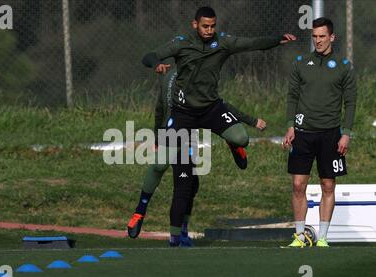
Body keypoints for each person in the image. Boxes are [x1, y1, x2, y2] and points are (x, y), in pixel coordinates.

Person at [140, 6, 295, 246]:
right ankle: (171, 231)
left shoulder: (222, 42)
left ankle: (232, 144)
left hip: (211, 109)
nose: (209, 30)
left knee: (241, 138)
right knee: (171, 167)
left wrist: (277, 39)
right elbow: (150, 55)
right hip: (185, 114)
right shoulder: (181, 44)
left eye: (213, 26)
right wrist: (156, 64)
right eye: (205, 26)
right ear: (195, 25)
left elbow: (251, 43)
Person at [127, 66, 267, 242]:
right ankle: (142, 212)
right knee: (167, 172)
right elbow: (159, 107)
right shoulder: (169, 75)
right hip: (171, 131)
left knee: (188, 183)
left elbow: (219, 105)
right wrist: (157, 137)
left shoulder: (199, 74)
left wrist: (248, 121)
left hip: (186, 132)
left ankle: (178, 237)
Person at [282, 18, 357, 248]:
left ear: (332, 37)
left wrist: (346, 133)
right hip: (303, 133)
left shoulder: (344, 66)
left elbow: (351, 102)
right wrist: (290, 125)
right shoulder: (301, 63)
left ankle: (323, 238)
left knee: (327, 186)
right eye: (314, 36)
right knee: (297, 185)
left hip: (331, 134)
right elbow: (292, 96)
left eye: (322, 36)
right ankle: (299, 236)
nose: (318, 41)